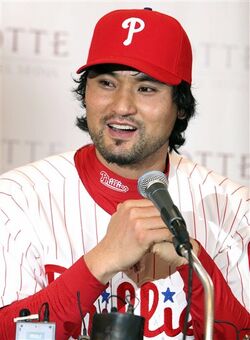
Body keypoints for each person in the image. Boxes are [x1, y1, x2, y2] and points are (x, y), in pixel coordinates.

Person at [0, 7, 249, 340]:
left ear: (181, 105)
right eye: (106, 82)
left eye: (146, 88)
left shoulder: (232, 208)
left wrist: (196, 268)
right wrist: (98, 264)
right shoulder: (15, 200)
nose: (120, 106)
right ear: (84, 93)